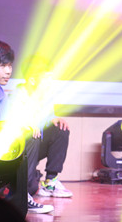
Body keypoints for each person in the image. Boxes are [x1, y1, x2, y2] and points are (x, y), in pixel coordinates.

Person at [0, 39, 54, 214]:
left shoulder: (4, 97)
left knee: (29, 134)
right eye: (2, 65)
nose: (8, 71)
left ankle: (22, 194)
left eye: (10, 65)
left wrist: (24, 125)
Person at [15, 54, 73, 199]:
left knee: (60, 129)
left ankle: (50, 181)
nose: (50, 83)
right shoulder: (18, 95)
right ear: (32, 80)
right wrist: (25, 124)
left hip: (38, 142)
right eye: (47, 79)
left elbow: (48, 119)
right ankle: (28, 177)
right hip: (22, 147)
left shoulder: (45, 97)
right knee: (30, 188)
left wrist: (54, 119)